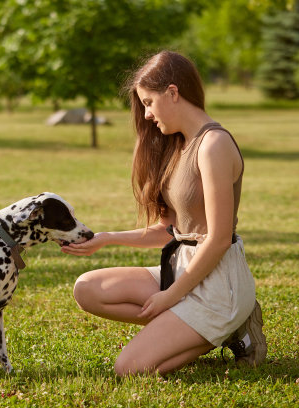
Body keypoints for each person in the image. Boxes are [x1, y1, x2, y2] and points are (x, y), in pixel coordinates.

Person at [62, 50, 267, 376]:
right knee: (87, 289)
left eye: (148, 102)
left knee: (128, 369)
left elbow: (217, 240)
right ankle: (199, 328)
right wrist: (106, 239)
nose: (145, 115)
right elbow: (168, 231)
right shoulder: (178, 145)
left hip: (219, 287)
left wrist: (170, 297)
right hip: (181, 269)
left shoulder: (213, 145)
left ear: (173, 93)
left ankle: (232, 325)